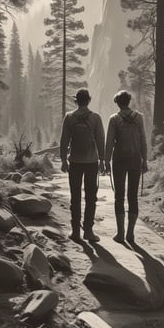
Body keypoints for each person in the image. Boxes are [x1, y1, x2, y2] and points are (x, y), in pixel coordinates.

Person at [60, 88, 105, 242]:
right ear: (89, 100)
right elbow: (100, 140)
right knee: (91, 197)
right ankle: (88, 231)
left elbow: (64, 140)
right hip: (91, 162)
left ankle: (75, 232)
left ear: (76, 101)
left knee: (75, 197)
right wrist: (103, 161)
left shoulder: (69, 117)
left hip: (74, 162)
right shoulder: (95, 118)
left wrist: (63, 160)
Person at [105, 90, 148, 243]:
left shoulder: (114, 119)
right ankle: (131, 234)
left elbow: (109, 142)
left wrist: (106, 162)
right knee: (133, 197)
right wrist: (145, 160)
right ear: (129, 101)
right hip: (136, 159)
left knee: (119, 196)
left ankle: (120, 234)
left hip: (119, 160)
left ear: (117, 102)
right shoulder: (139, 118)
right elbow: (143, 139)